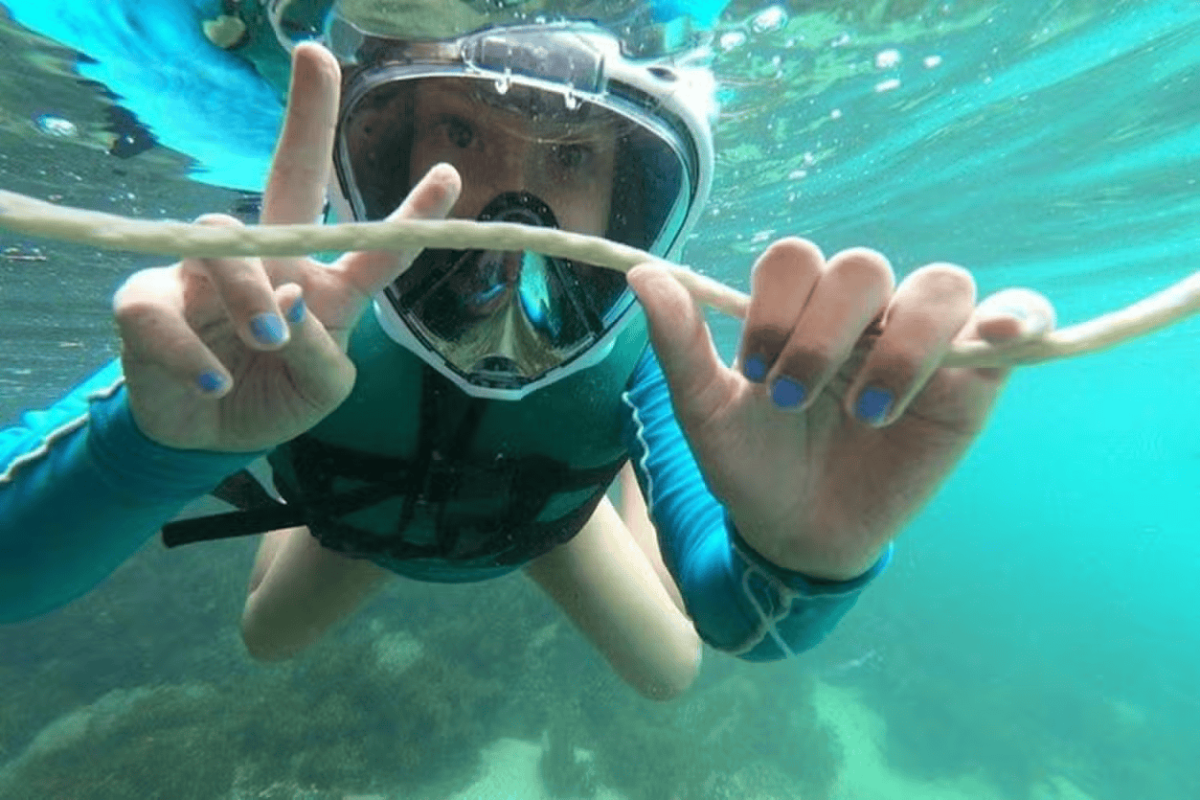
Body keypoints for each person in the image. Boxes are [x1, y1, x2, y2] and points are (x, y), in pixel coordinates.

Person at [0, 0, 1054, 700]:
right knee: (266, 638)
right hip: (356, 520)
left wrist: (812, 553)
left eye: (568, 153)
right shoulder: (283, 314)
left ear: (630, 192)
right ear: (382, 154)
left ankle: (599, 489)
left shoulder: (641, 344)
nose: (513, 204)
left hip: (547, 523)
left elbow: (752, 623)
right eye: (456, 133)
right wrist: (158, 446)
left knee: (672, 669)